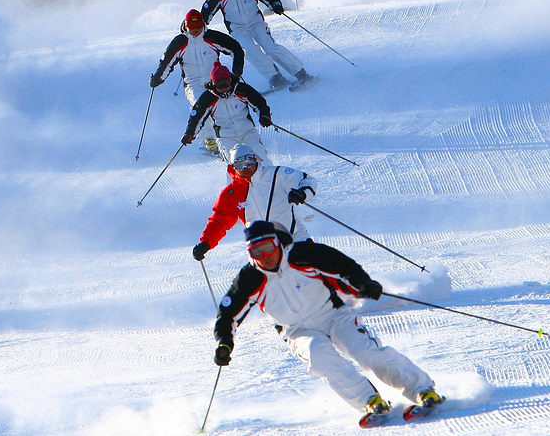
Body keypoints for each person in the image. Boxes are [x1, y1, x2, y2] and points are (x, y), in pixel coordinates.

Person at [212, 220, 447, 427]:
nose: (265, 257)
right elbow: (227, 315)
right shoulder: (249, 279)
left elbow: (343, 266)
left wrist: (363, 284)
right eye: (256, 252)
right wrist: (224, 343)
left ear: (277, 242)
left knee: (364, 351)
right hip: (297, 331)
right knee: (319, 356)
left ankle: (422, 390)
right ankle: (369, 401)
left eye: (268, 248)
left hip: (333, 315)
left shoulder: (303, 255)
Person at [191, 143, 315, 262]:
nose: (245, 168)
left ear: (255, 159)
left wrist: (303, 193)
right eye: (240, 165)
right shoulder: (232, 193)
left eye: (248, 162)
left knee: (314, 275)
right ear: (233, 167)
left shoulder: (276, 174)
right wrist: (206, 243)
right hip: (261, 249)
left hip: (293, 238)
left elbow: (306, 180)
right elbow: (219, 221)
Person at [202, 0, 314, 92]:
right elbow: (206, 11)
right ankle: (275, 77)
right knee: (249, 49)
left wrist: (275, 4)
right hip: (237, 28)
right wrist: (200, 23)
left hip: (256, 23)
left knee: (270, 47)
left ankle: (300, 73)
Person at [151, 9, 245, 155]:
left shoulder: (212, 37)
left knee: (220, 107)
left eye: (198, 27)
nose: (195, 30)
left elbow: (236, 49)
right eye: (192, 27)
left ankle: (230, 136)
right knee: (200, 105)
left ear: (203, 24)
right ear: (186, 26)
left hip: (214, 81)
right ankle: (208, 139)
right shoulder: (180, 42)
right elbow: (166, 62)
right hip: (192, 82)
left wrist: (236, 71)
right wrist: (158, 78)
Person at [182, 61, 271, 163]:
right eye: (219, 85)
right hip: (226, 137)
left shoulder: (241, 90)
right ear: (213, 84)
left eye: (226, 84)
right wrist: (189, 133)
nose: (224, 89)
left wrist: (265, 116)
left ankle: (269, 177)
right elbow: (196, 118)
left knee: (260, 159)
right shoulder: (208, 98)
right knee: (236, 163)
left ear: (230, 80)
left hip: (248, 132)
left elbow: (260, 103)